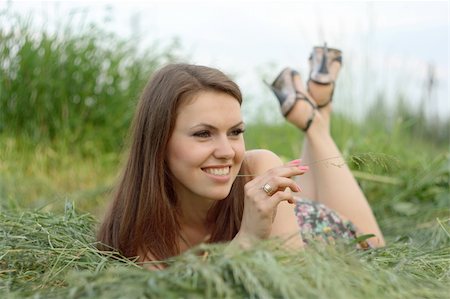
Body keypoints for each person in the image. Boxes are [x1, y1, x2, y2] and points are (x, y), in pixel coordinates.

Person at [97, 46, 385, 268]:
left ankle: (314, 119)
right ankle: (313, 109)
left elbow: (297, 282)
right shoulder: (136, 236)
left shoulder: (260, 166)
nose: (227, 152)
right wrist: (247, 237)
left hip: (315, 231)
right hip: (282, 224)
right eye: (203, 134)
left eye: (235, 132)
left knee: (376, 250)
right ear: (158, 141)